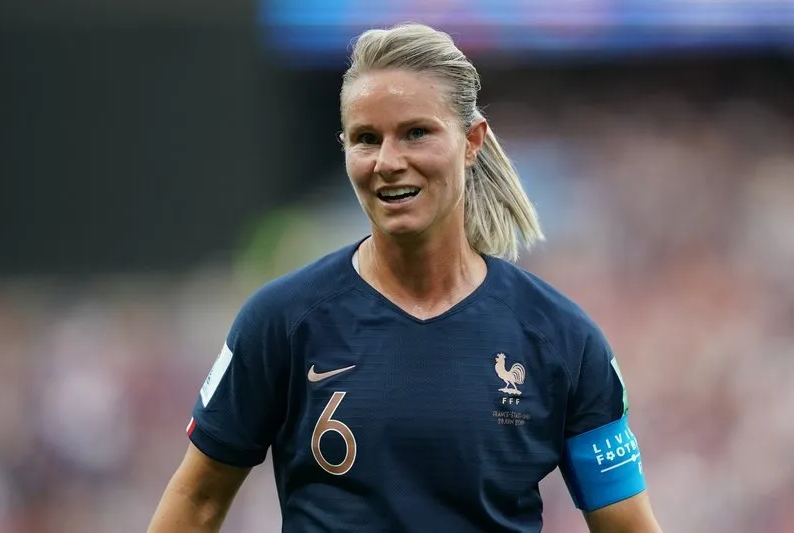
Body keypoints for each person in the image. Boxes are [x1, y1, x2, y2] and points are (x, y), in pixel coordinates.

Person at [148, 22, 663, 533]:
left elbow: (627, 524)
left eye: (416, 133)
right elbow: (196, 500)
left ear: (472, 141)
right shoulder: (281, 321)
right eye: (366, 139)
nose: (389, 162)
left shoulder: (562, 340)